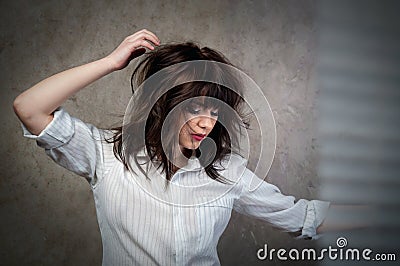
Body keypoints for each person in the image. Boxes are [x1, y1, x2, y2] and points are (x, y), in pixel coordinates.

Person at [13, 29, 330, 265]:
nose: (207, 124)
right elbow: (29, 107)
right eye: (194, 108)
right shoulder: (106, 154)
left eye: (215, 111)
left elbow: (303, 216)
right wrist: (111, 63)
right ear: (162, 103)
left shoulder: (225, 171)